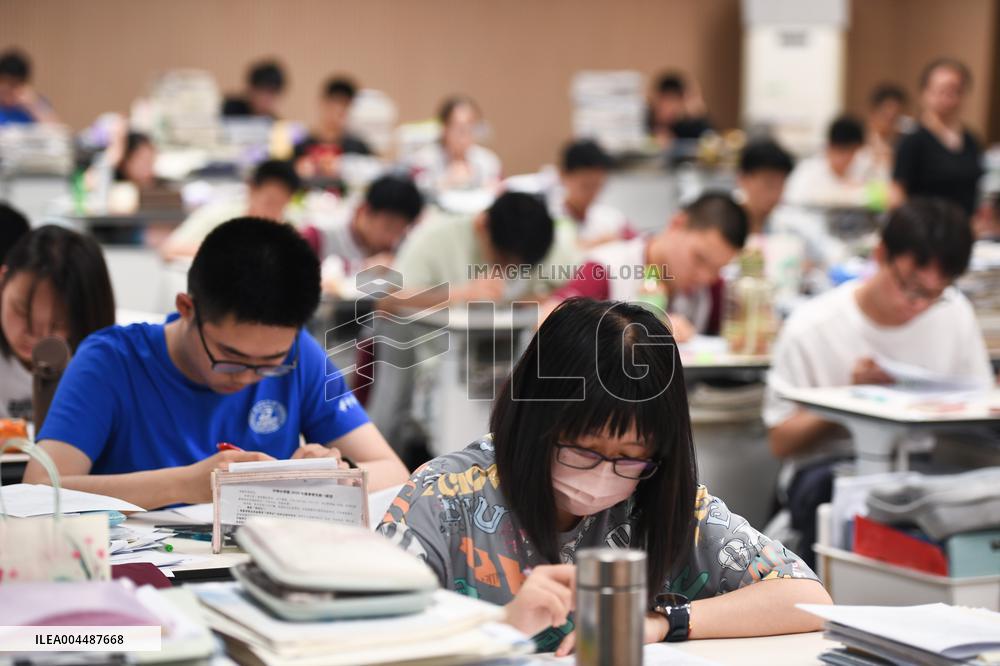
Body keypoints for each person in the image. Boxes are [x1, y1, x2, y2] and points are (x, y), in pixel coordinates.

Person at [378, 298, 830, 653]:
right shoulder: (447, 498)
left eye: (630, 457)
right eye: (583, 450)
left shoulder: (659, 498)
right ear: (536, 418)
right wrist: (504, 627)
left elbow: (806, 597)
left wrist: (661, 622)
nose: (602, 478)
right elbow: (362, 640)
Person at [25, 218, 408, 507]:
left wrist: (332, 478)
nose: (247, 378)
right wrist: (185, 485)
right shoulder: (111, 361)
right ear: (186, 309)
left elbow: (393, 470)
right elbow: (39, 488)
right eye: (231, 358)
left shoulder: (300, 355)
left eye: (269, 363)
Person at [764, 198, 993, 566]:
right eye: (909, 286)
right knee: (854, 498)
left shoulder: (954, 313)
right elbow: (781, 440)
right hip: (833, 467)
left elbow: (977, 398)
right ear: (880, 254)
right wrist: (849, 400)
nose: (917, 304)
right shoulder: (813, 326)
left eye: (933, 294)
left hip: (924, 465)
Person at [546, 192, 748, 342]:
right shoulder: (606, 268)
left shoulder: (711, 288)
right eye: (699, 259)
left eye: (717, 269)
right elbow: (548, 321)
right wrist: (633, 328)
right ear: (677, 224)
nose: (705, 277)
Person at [0, 226, 115, 420]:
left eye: (58, 323)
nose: (38, 335)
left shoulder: (106, 362)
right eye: (22, 311)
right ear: (2, 281)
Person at [388, 191, 577, 307]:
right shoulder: (433, 238)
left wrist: (541, 299)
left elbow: (576, 284)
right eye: (503, 260)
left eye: (520, 267)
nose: (509, 271)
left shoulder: (539, 238)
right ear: (482, 225)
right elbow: (388, 301)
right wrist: (462, 294)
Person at [892, 58, 983, 217]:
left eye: (955, 90)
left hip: (961, 229)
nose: (948, 97)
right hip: (925, 230)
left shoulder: (971, 140)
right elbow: (897, 193)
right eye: (941, 90)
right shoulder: (913, 140)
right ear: (925, 93)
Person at [161, 159, 301, 259]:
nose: (273, 213)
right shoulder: (220, 215)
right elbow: (170, 248)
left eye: (281, 206)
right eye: (269, 202)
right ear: (251, 190)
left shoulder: (289, 227)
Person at [307, 173, 424, 282]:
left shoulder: (403, 244)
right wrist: (362, 267)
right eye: (388, 227)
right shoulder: (319, 233)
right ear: (364, 210)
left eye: (400, 231)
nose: (392, 238)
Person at [550, 139, 635, 249]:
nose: (592, 193)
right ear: (563, 176)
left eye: (597, 185)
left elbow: (639, 245)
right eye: (585, 186)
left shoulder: (612, 219)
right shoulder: (550, 221)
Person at [408, 96, 501, 193]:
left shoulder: (488, 161)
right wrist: (446, 182)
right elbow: (415, 194)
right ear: (444, 128)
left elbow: (498, 190)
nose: (466, 134)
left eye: (472, 127)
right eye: (460, 128)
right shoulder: (424, 160)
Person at [783, 116, 873, 208]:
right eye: (842, 152)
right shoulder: (808, 172)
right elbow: (794, 201)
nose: (848, 159)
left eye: (853, 153)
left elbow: (883, 197)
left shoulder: (861, 167)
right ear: (830, 147)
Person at [294, 76, 373, 181]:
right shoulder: (302, 146)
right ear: (322, 103)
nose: (339, 110)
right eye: (335, 102)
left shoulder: (358, 148)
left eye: (345, 104)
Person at [736, 140, 794, 234]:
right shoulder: (721, 223)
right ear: (743, 179)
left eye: (781, 184)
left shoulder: (788, 228)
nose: (775, 193)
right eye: (769, 184)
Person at [646, 71, 711, 150]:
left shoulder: (683, 126)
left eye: (675, 101)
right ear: (657, 98)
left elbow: (710, 139)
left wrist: (700, 114)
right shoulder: (644, 119)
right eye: (667, 100)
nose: (671, 107)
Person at [0, 49, 57, 125]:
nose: (10, 90)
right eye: (6, 83)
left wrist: (33, 106)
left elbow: (57, 130)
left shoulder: (35, 102)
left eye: (15, 85)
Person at [866, 84, 909, 178]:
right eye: (885, 115)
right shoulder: (860, 149)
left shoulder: (905, 148)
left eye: (895, 117)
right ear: (873, 113)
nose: (890, 121)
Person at [221, 59, 286, 119]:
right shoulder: (227, 109)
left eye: (272, 94)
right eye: (263, 93)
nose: (267, 100)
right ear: (251, 89)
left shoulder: (274, 122)